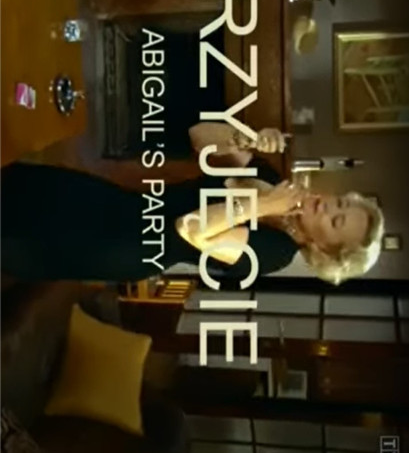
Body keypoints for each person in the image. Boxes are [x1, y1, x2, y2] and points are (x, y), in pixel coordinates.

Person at [1, 124, 384, 284]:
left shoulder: (274, 254)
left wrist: (263, 206)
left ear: (322, 248)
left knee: (13, 237)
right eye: (339, 204)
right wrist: (246, 137)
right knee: (23, 183)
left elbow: (190, 228)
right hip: (116, 202)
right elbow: (199, 135)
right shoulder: (270, 179)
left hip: (124, 246)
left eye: (335, 222)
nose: (327, 208)